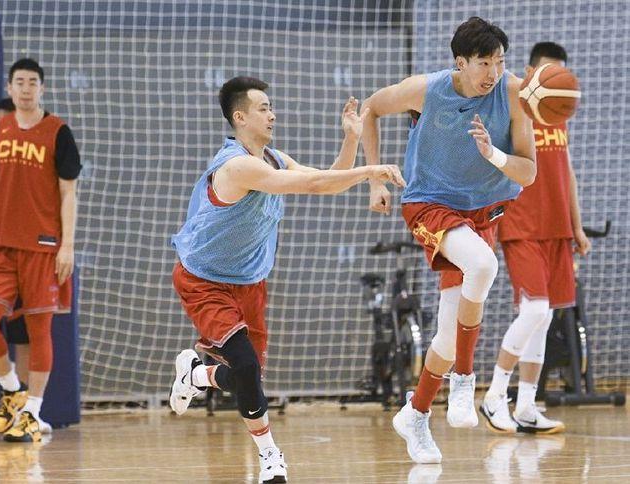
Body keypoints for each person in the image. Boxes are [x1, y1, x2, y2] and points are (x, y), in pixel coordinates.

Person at [168, 76, 404, 483]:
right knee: (245, 367)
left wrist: (351, 140)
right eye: (263, 108)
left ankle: (196, 376)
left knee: (249, 377)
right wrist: (373, 170)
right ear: (240, 117)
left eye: (271, 107)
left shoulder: (274, 158)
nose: (272, 114)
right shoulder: (237, 165)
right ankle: (271, 457)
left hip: (250, 282)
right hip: (204, 279)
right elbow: (312, 184)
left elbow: (328, 181)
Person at [360, 17, 536, 463]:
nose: (493, 72)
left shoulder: (512, 93)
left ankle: (415, 414)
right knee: (483, 265)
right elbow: (371, 109)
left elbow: (528, 173)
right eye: (483, 63)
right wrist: (375, 179)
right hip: (430, 204)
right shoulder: (426, 89)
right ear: (460, 63)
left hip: (482, 212)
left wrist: (493, 154)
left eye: (499, 61)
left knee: (446, 336)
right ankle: (464, 380)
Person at [480, 42, 590, 434]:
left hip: (557, 227)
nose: (552, 80)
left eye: (559, 73)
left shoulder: (558, 113)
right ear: (529, 72)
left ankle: (526, 406)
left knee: (544, 319)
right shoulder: (512, 108)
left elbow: (567, 173)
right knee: (535, 311)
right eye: (546, 72)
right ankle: (495, 394)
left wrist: (577, 226)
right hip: (522, 223)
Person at [0, 58, 81, 442]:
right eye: (19, 81)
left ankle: (33, 413)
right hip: (0, 243)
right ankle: (11, 389)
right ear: (9, 87)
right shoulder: (0, 128)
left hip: (42, 245)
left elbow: (69, 192)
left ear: (42, 88)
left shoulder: (58, 131)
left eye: (32, 82)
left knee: (40, 329)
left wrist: (67, 245)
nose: (25, 88)